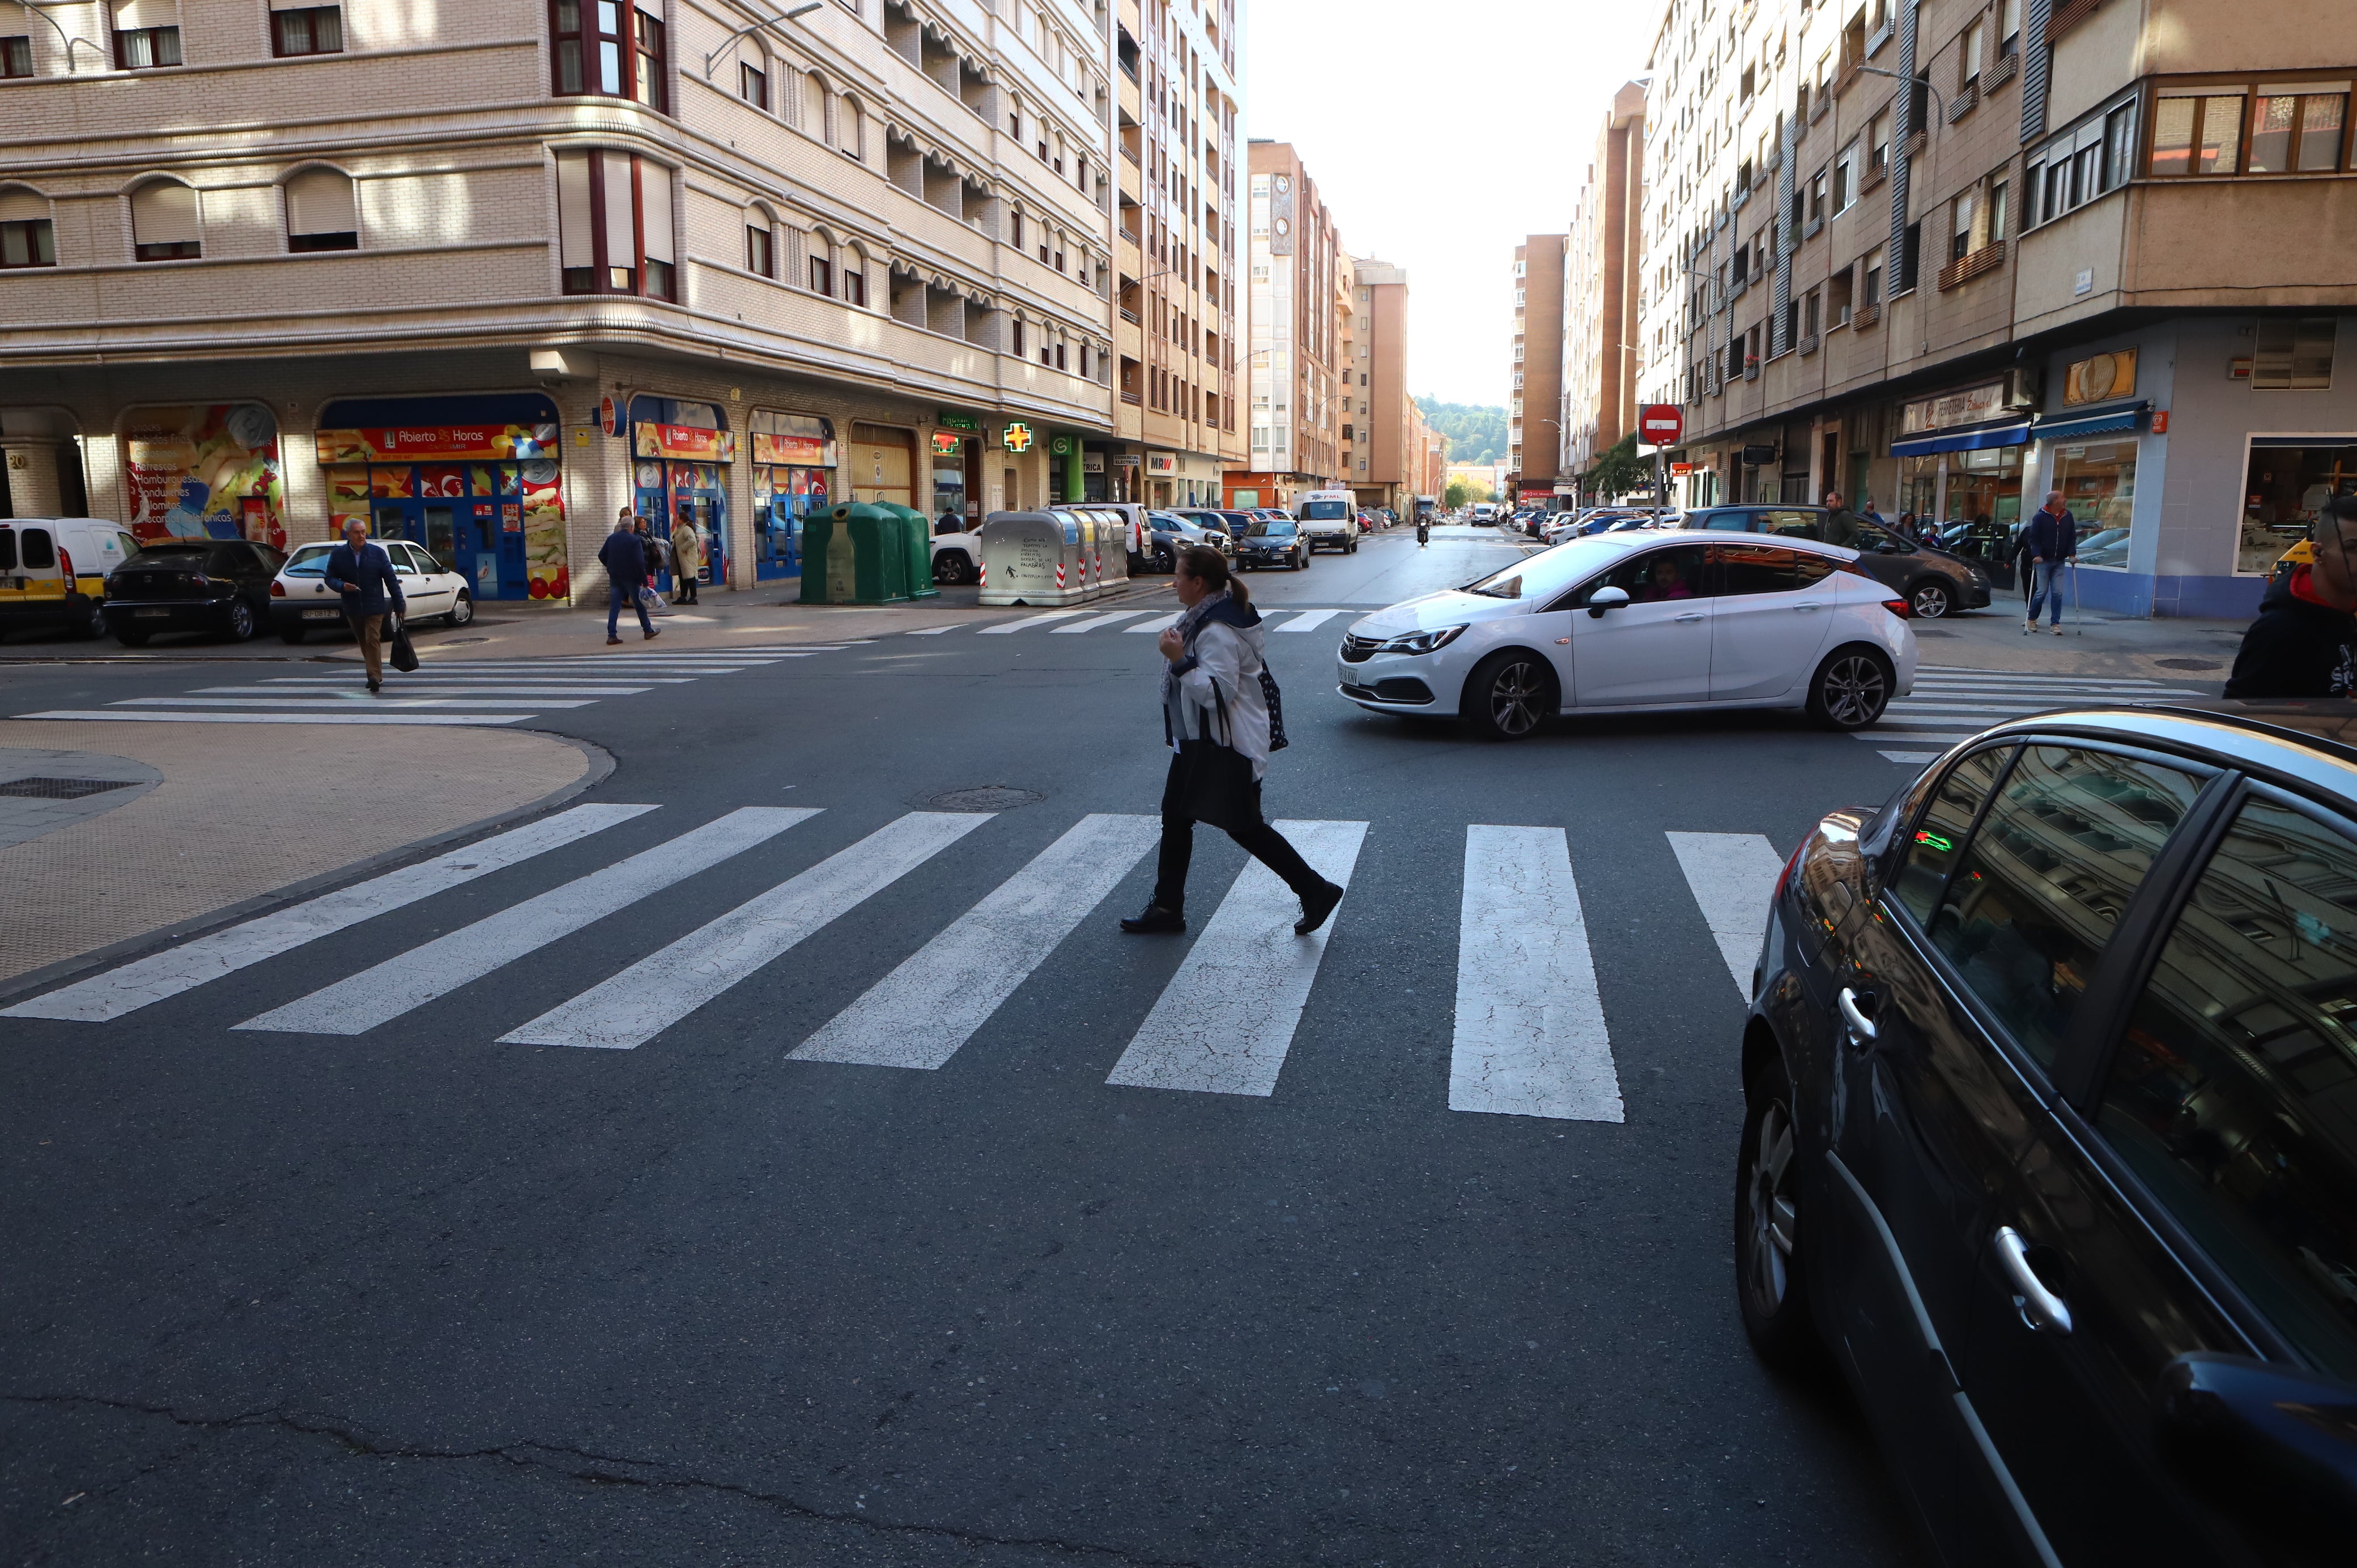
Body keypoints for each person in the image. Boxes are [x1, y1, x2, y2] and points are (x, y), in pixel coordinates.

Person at [1121, 546, 1345, 938]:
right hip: (1198, 741)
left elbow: (1216, 693)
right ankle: (1168, 907)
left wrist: (1178, 659)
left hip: (1225, 743)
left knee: (1244, 826)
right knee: (1176, 817)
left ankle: (1315, 889)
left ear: (1198, 583)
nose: (1172, 582)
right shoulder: (1204, 617)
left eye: (1178, 576)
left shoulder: (1218, 630)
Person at [2225, 495, 2357, 698]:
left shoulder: (2346, 617)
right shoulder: (2280, 630)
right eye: (2353, 548)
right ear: (2318, 553)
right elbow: (2240, 716)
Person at [322, 517, 405, 694]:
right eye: (357, 532)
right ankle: (374, 672)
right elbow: (329, 578)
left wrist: (399, 604)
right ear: (348, 534)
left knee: (372, 639)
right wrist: (341, 586)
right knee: (364, 643)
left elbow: (391, 579)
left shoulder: (377, 553)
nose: (361, 536)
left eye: (363, 532)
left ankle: (374, 677)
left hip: (374, 605)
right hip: (353, 607)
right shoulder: (338, 555)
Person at [2021, 489, 2079, 634]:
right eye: (2062, 497)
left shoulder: (2068, 516)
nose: (2065, 499)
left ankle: (2055, 624)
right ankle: (2032, 618)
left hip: (2059, 560)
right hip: (2044, 561)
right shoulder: (2040, 517)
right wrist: (2037, 555)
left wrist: (2072, 554)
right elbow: (2034, 538)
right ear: (2055, 501)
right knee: (2041, 592)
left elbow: (2072, 537)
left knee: (2057, 593)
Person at [601, 515, 659, 644]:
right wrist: (644, 580)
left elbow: (602, 555)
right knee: (639, 604)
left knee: (615, 606)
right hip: (631, 578)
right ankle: (648, 630)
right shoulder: (634, 540)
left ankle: (612, 635)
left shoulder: (612, 538)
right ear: (632, 527)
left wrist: (610, 566)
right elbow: (640, 562)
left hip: (615, 577)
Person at [672, 521, 704, 605]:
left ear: (682, 520)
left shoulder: (686, 529)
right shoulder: (680, 529)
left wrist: (683, 548)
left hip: (688, 558)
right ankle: (683, 597)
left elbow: (692, 540)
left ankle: (694, 597)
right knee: (683, 578)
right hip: (682, 558)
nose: (677, 520)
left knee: (690, 578)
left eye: (679, 518)